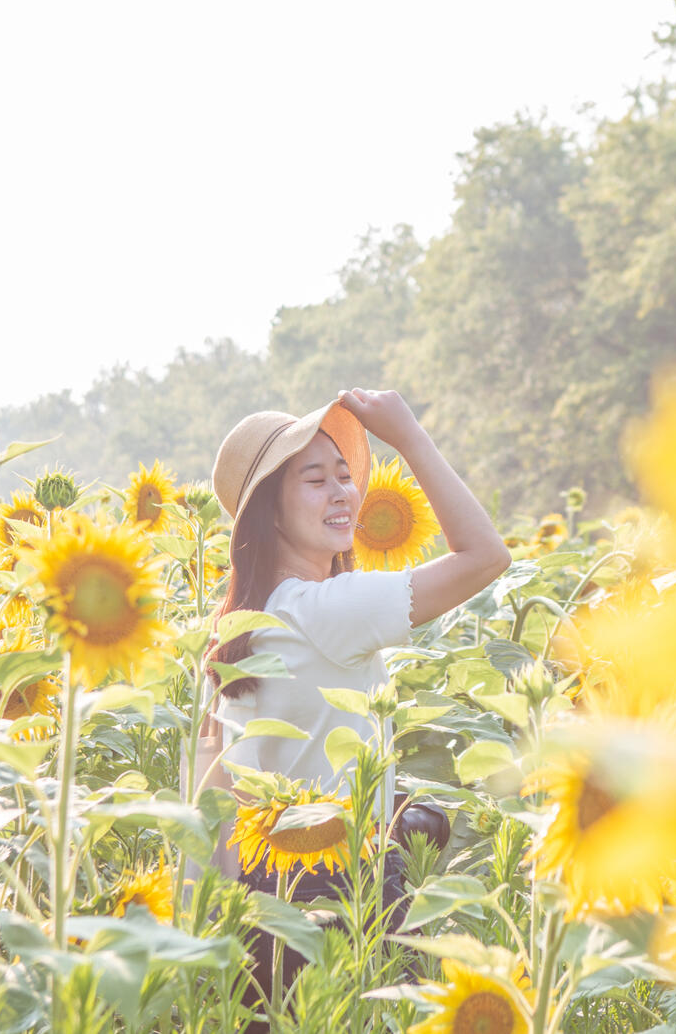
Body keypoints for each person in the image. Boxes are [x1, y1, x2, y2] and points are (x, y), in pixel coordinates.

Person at [204, 388, 510, 998]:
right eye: (314, 479)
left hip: (264, 897)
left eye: (345, 475)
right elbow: (485, 556)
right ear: (270, 511)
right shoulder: (326, 608)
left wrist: (212, 924)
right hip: (336, 893)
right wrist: (409, 435)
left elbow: (215, 787)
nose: (343, 493)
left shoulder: (240, 620)